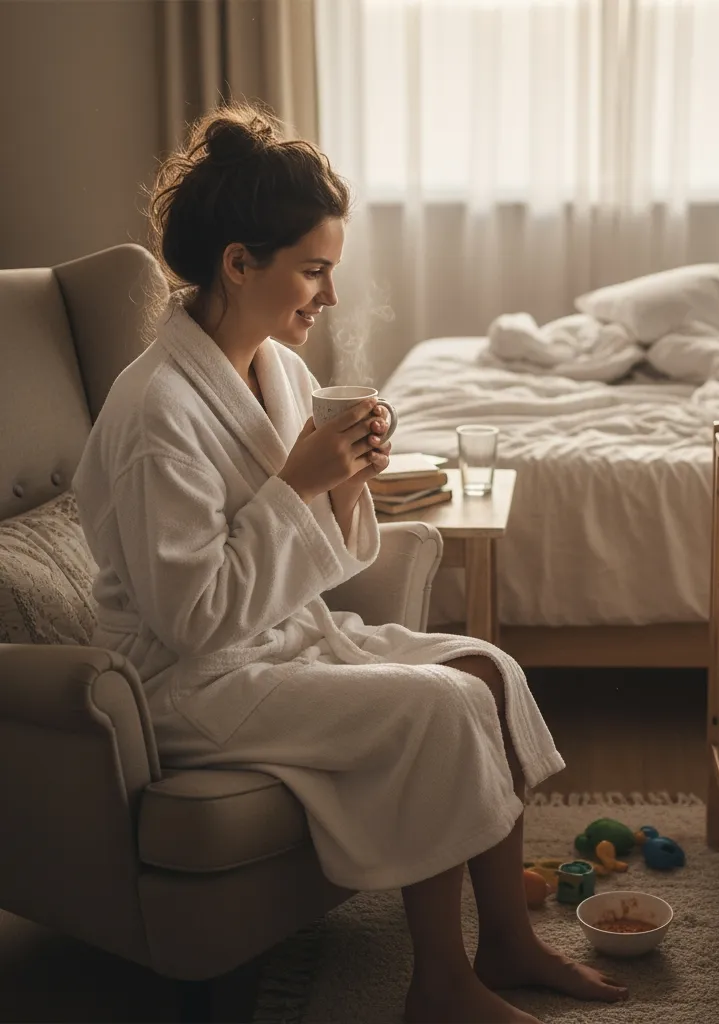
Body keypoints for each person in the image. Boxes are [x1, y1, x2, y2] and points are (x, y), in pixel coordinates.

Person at [72, 102, 627, 1024]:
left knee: (486, 669)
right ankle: (440, 985)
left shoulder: (283, 374)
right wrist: (298, 486)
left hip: (276, 641)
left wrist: (348, 479)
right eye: (313, 271)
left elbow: (333, 556)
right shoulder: (155, 413)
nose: (327, 298)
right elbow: (191, 618)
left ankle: (508, 942)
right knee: (439, 706)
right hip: (184, 682)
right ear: (239, 262)